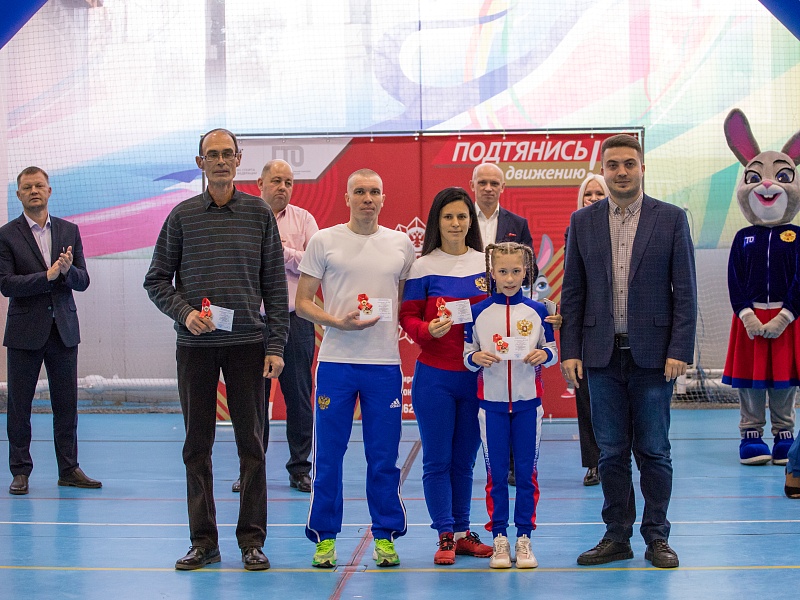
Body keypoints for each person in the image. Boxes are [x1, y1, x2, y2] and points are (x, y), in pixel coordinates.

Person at [143, 129, 289, 572]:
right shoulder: (182, 216)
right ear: (200, 162)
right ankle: (203, 541)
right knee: (196, 447)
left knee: (252, 447)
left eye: (228, 154)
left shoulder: (258, 214)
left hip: (248, 346)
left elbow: (275, 287)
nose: (221, 161)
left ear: (239, 159)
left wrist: (276, 345)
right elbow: (156, 280)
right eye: (213, 154)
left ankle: (252, 541)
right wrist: (185, 313)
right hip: (195, 348)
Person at [560, 134, 697, 569]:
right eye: (613, 165)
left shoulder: (671, 218)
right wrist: (570, 350)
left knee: (654, 451)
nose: (621, 172)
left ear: (642, 168)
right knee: (611, 453)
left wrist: (679, 347)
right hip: (600, 356)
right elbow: (573, 291)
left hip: (654, 357)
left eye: (629, 164)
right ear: (603, 170)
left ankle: (658, 537)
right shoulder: (582, 221)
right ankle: (616, 536)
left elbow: (686, 291)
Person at [295, 168, 415, 569]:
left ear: (383, 198)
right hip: (336, 364)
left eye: (374, 192)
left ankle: (385, 537)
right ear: (346, 198)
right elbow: (303, 302)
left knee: (383, 458)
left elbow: (402, 302)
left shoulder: (401, 245)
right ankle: (325, 539)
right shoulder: (324, 241)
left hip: (384, 366)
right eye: (360, 191)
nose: (367, 198)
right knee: (328, 458)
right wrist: (336, 322)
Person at [398, 187, 493, 565]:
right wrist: (426, 330)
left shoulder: (487, 264)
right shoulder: (422, 267)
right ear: (437, 222)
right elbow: (408, 317)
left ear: (471, 221)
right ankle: (445, 536)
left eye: (462, 216)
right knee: (437, 460)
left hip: (476, 379)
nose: (455, 223)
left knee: (464, 461)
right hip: (435, 379)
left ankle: (463, 532)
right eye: (448, 216)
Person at [0, 166, 100, 496]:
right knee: (19, 406)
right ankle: (20, 471)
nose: (34, 191)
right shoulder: (6, 235)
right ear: (18, 194)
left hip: (63, 330)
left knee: (66, 405)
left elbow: (83, 281)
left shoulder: (70, 230)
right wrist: (47, 275)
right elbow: (6, 284)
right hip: (24, 332)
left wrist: (67, 272)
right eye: (27, 187)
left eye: (39, 185)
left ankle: (68, 469)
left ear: (49, 190)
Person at [463, 242, 558, 569]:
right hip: (491, 407)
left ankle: (525, 538)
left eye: (516, 271)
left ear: (526, 272)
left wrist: (543, 354)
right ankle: (500, 537)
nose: (509, 278)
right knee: (496, 475)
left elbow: (552, 350)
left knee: (528, 475)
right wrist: (476, 357)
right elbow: (467, 356)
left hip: (528, 406)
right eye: (502, 271)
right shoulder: (477, 312)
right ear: (492, 273)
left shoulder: (538, 311)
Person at [230, 159, 317, 494]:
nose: (283, 187)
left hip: (295, 321)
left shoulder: (304, 219)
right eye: (277, 180)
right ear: (260, 183)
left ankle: (300, 469)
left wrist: (280, 251)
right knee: (252, 400)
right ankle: (251, 470)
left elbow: (315, 263)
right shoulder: (242, 218)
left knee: (299, 398)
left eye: (289, 182)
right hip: (252, 322)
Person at [470, 161, 533, 486]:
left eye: (494, 183)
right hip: (475, 312)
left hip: (510, 314)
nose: (488, 188)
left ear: (503, 187)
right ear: (472, 185)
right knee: (478, 387)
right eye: (482, 182)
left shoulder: (517, 224)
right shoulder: (462, 221)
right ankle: (478, 459)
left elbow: (530, 269)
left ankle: (510, 464)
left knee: (509, 389)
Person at [565, 174, 610, 487]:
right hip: (586, 330)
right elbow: (573, 288)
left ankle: (618, 461)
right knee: (587, 401)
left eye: (599, 193)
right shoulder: (575, 230)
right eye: (588, 194)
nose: (593, 199)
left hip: (622, 331)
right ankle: (594, 463)